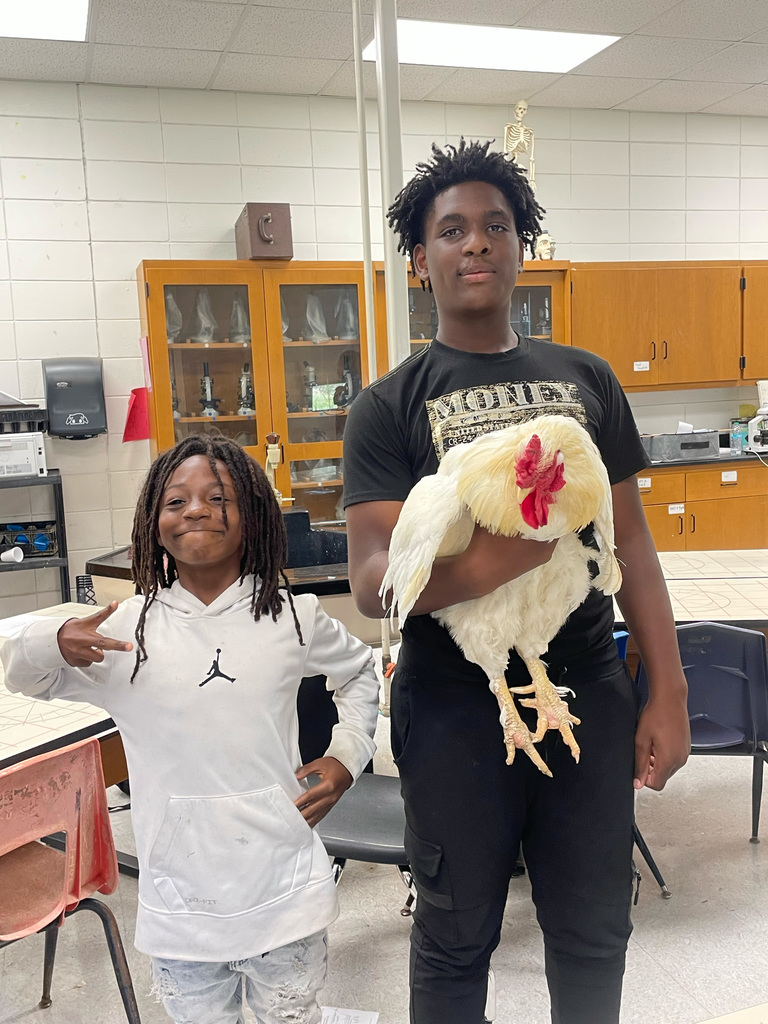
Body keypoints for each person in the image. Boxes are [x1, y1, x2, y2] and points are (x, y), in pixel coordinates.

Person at [342, 139, 690, 1024]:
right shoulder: (387, 405)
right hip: (453, 705)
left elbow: (632, 544)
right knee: (455, 936)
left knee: (593, 927)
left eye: (496, 226)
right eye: (452, 229)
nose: (476, 243)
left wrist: (669, 687)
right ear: (420, 259)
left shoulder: (586, 378)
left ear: (521, 247)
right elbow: (374, 580)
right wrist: (489, 564)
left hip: (588, 692)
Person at [2, 434, 378, 1024]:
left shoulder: (292, 617)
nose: (196, 510)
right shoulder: (126, 633)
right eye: (176, 501)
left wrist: (346, 755)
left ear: (254, 517)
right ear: (153, 525)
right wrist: (52, 639)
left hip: (286, 895)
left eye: (218, 497)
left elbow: (359, 672)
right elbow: (25, 677)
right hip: (181, 908)